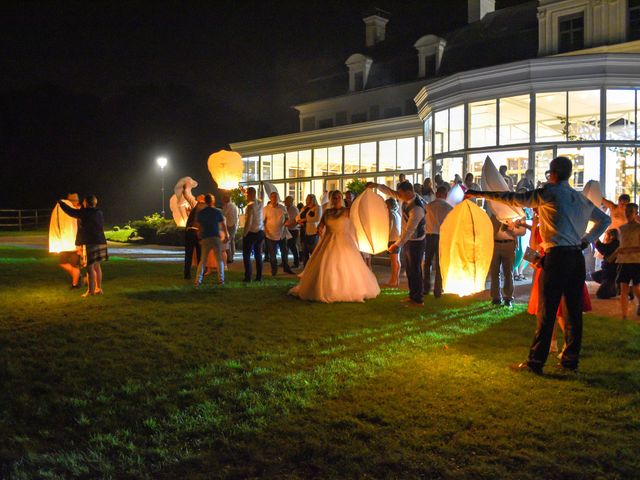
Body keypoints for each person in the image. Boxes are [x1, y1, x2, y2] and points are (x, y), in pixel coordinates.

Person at [466, 156, 611, 374]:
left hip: (557, 257)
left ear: (552, 174)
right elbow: (605, 220)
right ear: (569, 174)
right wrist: (587, 240)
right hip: (575, 257)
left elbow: (514, 198)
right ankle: (570, 360)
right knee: (573, 311)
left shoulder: (549, 193)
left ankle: (536, 362)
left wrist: (480, 194)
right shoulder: (580, 199)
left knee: (547, 310)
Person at [289, 191, 380, 302]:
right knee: (325, 264)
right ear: (331, 199)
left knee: (346, 265)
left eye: (338, 198)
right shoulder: (327, 212)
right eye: (334, 198)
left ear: (341, 198)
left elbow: (358, 220)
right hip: (328, 240)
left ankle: (346, 289)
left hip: (344, 241)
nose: (336, 200)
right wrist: (319, 229)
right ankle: (324, 288)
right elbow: (321, 224)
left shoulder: (347, 211)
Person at [367, 180, 427, 307]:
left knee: (415, 270)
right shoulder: (405, 197)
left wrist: (397, 245)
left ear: (409, 192)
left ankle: (418, 299)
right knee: (410, 270)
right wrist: (377, 186)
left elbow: (410, 230)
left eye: (401, 193)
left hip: (416, 242)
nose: (399, 196)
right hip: (408, 240)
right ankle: (412, 296)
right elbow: (391, 192)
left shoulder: (417, 208)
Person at [58, 194, 108, 297]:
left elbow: (70, 212)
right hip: (101, 241)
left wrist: (61, 203)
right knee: (97, 266)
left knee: (89, 268)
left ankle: (90, 291)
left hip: (90, 242)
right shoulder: (98, 212)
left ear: (86, 203)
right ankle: (99, 289)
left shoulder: (85, 213)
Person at [489, 215, 526, 307]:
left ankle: (508, 298)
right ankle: (496, 298)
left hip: (509, 244)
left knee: (508, 273)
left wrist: (512, 228)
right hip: (495, 243)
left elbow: (522, 231)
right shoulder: (496, 212)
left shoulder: (517, 212)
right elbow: (489, 227)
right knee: (494, 272)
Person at [423, 186, 453, 298]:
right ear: (445, 195)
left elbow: (423, 221)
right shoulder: (449, 208)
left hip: (429, 236)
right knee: (440, 264)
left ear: (436, 194)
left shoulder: (428, 206)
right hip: (442, 237)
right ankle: (438, 289)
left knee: (427, 263)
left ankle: (426, 288)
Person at [194, 194, 228, 287]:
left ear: (205, 201)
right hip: (216, 237)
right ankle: (221, 280)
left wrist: (199, 237)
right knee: (219, 260)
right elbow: (223, 224)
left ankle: (198, 280)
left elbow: (198, 226)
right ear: (212, 201)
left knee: (203, 260)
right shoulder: (217, 212)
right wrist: (227, 235)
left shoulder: (201, 213)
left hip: (205, 237)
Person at [616, 203, 640, 319]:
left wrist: (627, 250)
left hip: (636, 261)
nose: (628, 213)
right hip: (624, 261)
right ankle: (624, 315)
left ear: (636, 213)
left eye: (631, 211)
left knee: (636, 287)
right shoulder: (621, 228)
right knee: (623, 288)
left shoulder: (638, 228)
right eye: (627, 211)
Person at [263, 192, 293, 276]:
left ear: (277, 198)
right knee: (272, 255)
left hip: (281, 234)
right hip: (270, 235)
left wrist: (286, 222)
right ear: (270, 198)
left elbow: (287, 217)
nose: (274, 199)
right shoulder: (266, 209)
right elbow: (263, 221)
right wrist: (265, 231)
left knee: (284, 252)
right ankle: (274, 271)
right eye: (272, 197)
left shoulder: (282, 208)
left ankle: (286, 268)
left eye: (275, 197)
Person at [57, 193, 82, 288]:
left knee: (75, 264)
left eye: (75, 200)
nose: (73, 202)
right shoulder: (67, 211)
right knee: (62, 263)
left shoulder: (80, 211)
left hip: (77, 243)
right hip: (66, 242)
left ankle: (75, 284)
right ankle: (79, 277)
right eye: (71, 200)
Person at [242, 187, 265, 282]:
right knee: (258, 254)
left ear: (251, 194)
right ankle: (259, 277)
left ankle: (248, 276)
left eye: (247, 194)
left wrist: (244, 234)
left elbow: (248, 222)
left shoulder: (250, 206)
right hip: (260, 232)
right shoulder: (260, 202)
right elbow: (262, 196)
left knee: (246, 255)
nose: (246, 196)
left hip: (251, 233)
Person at [592, 229, 619, 299]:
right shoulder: (613, 242)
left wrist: (597, 240)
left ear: (611, 236)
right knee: (595, 275)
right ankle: (612, 287)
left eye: (607, 234)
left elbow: (604, 249)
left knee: (601, 294)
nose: (605, 236)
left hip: (611, 271)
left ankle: (616, 288)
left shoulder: (615, 243)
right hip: (608, 270)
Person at [184, 194, 205, 279]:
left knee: (188, 255)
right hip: (197, 232)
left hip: (189, 231)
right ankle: (200, 274)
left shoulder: (195, 208)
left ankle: (187, 274)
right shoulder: (203, 207)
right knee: (200, 255)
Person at [297, 194, 322, 266]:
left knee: (313, 252)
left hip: (312, 232)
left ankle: (315, 267)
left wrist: (305, 220)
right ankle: (305, 269)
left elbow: (317, 218)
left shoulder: (317, 208)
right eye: (306, 199)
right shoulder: (304, 208)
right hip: (303, 232)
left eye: (308, 199)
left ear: (312, 199)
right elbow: (297, 217)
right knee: (304, 253)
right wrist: (299, 221)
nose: (306, 200)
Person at [385, 198, 402, 287]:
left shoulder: (391, 214)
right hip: (397, 238)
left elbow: (389, 227)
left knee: (394, 261)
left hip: (392, 239)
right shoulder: (396, 214)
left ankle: (394, 279)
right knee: (396, 260)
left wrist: (385, 237)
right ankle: (396, 279)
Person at [221, 194, 239, 264]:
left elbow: (224, 214)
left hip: (230, 225)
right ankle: (231, 256)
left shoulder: (229, 205)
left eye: (223, 198)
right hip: (232, 224)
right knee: (231, 241)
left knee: (228, 241)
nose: (222, 200)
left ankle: (230, 258)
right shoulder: (232, 205)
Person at [284, 196, 300, 268]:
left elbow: (296, 220)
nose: (285, 202)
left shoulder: (294, 209)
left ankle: (296, 262)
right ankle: (285, 262)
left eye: (287, 201)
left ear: (291, 201)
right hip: (288, 229)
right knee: (286, 246)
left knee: (292, 246)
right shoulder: (286, 208)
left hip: (293, 230)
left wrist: (290, 225)